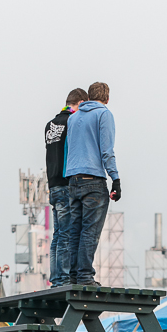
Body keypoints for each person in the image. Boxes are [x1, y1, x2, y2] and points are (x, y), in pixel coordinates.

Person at [66, 82, 121, 286]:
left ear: (88, 97)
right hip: (93, 180)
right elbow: (107, 151)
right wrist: (115, 179)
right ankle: (85, 276)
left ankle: (73, 276)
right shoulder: (104, 114)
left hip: (73, 179)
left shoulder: (73, 118)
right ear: (107, 98)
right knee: (90, 230)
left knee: (75, 231)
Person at [45, 88, 88, 287]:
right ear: (80, 103)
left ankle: (55, 277)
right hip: (65, 182)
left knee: (58, 234)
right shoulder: (72, 122)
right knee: (66, 233)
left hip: (53, 183)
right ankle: (62, 278)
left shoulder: (51, 124)